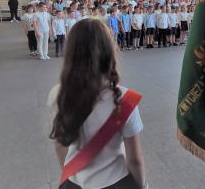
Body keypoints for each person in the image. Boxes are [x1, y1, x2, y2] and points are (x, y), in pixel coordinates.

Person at [48, 19, 146, 189]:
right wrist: (143, 186)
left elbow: (59, 146)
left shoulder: (57, 94)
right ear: (109, 51)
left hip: (74, 181)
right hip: (115, 182)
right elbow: (134, 159)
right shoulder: (125, 99)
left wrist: (73, 173)